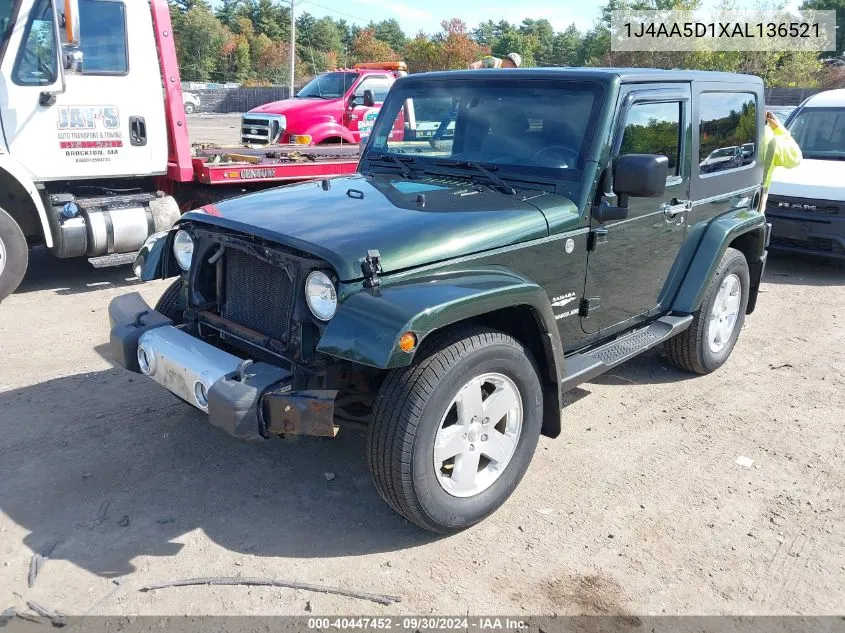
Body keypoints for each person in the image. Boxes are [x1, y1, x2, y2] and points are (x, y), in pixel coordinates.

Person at [760, 110, 802, 213]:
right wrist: (778, 129)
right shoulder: (771, 140)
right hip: (754, 200)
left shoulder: (729, 134)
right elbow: (795, 157)